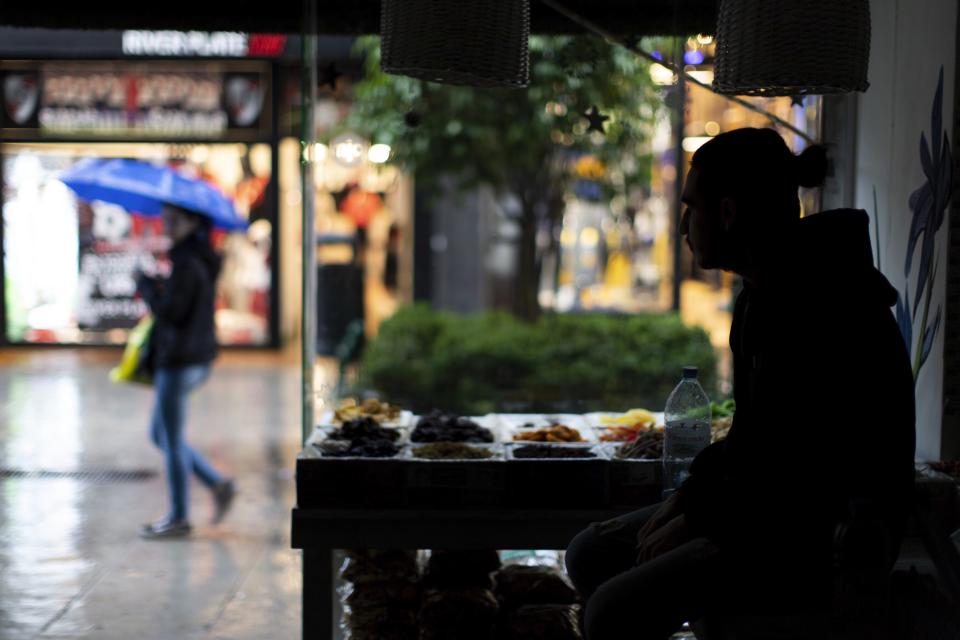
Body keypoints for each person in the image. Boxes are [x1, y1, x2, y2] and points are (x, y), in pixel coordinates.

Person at [565, 128, 916, 639]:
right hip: (764, 507)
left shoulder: (825, 304)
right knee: (590, 552)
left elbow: (802, 472)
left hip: (820, 537)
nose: (683, 225)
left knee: (609, 614)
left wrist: (697, 519)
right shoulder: (760, 296)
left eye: (691, 207)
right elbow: (752, 444)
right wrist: (686, 502)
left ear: (727, 212)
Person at [136, 204, 236, 539]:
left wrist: (147, 286)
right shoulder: (197, 258)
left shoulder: (187, 262)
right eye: (165, 218)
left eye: (174, 220)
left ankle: (179, 517)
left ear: (194, 223)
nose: (167, 224)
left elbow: (172, 314)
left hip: (179, 360)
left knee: (171, 438)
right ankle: (218, 484)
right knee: (159, 434)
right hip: (193, 357)